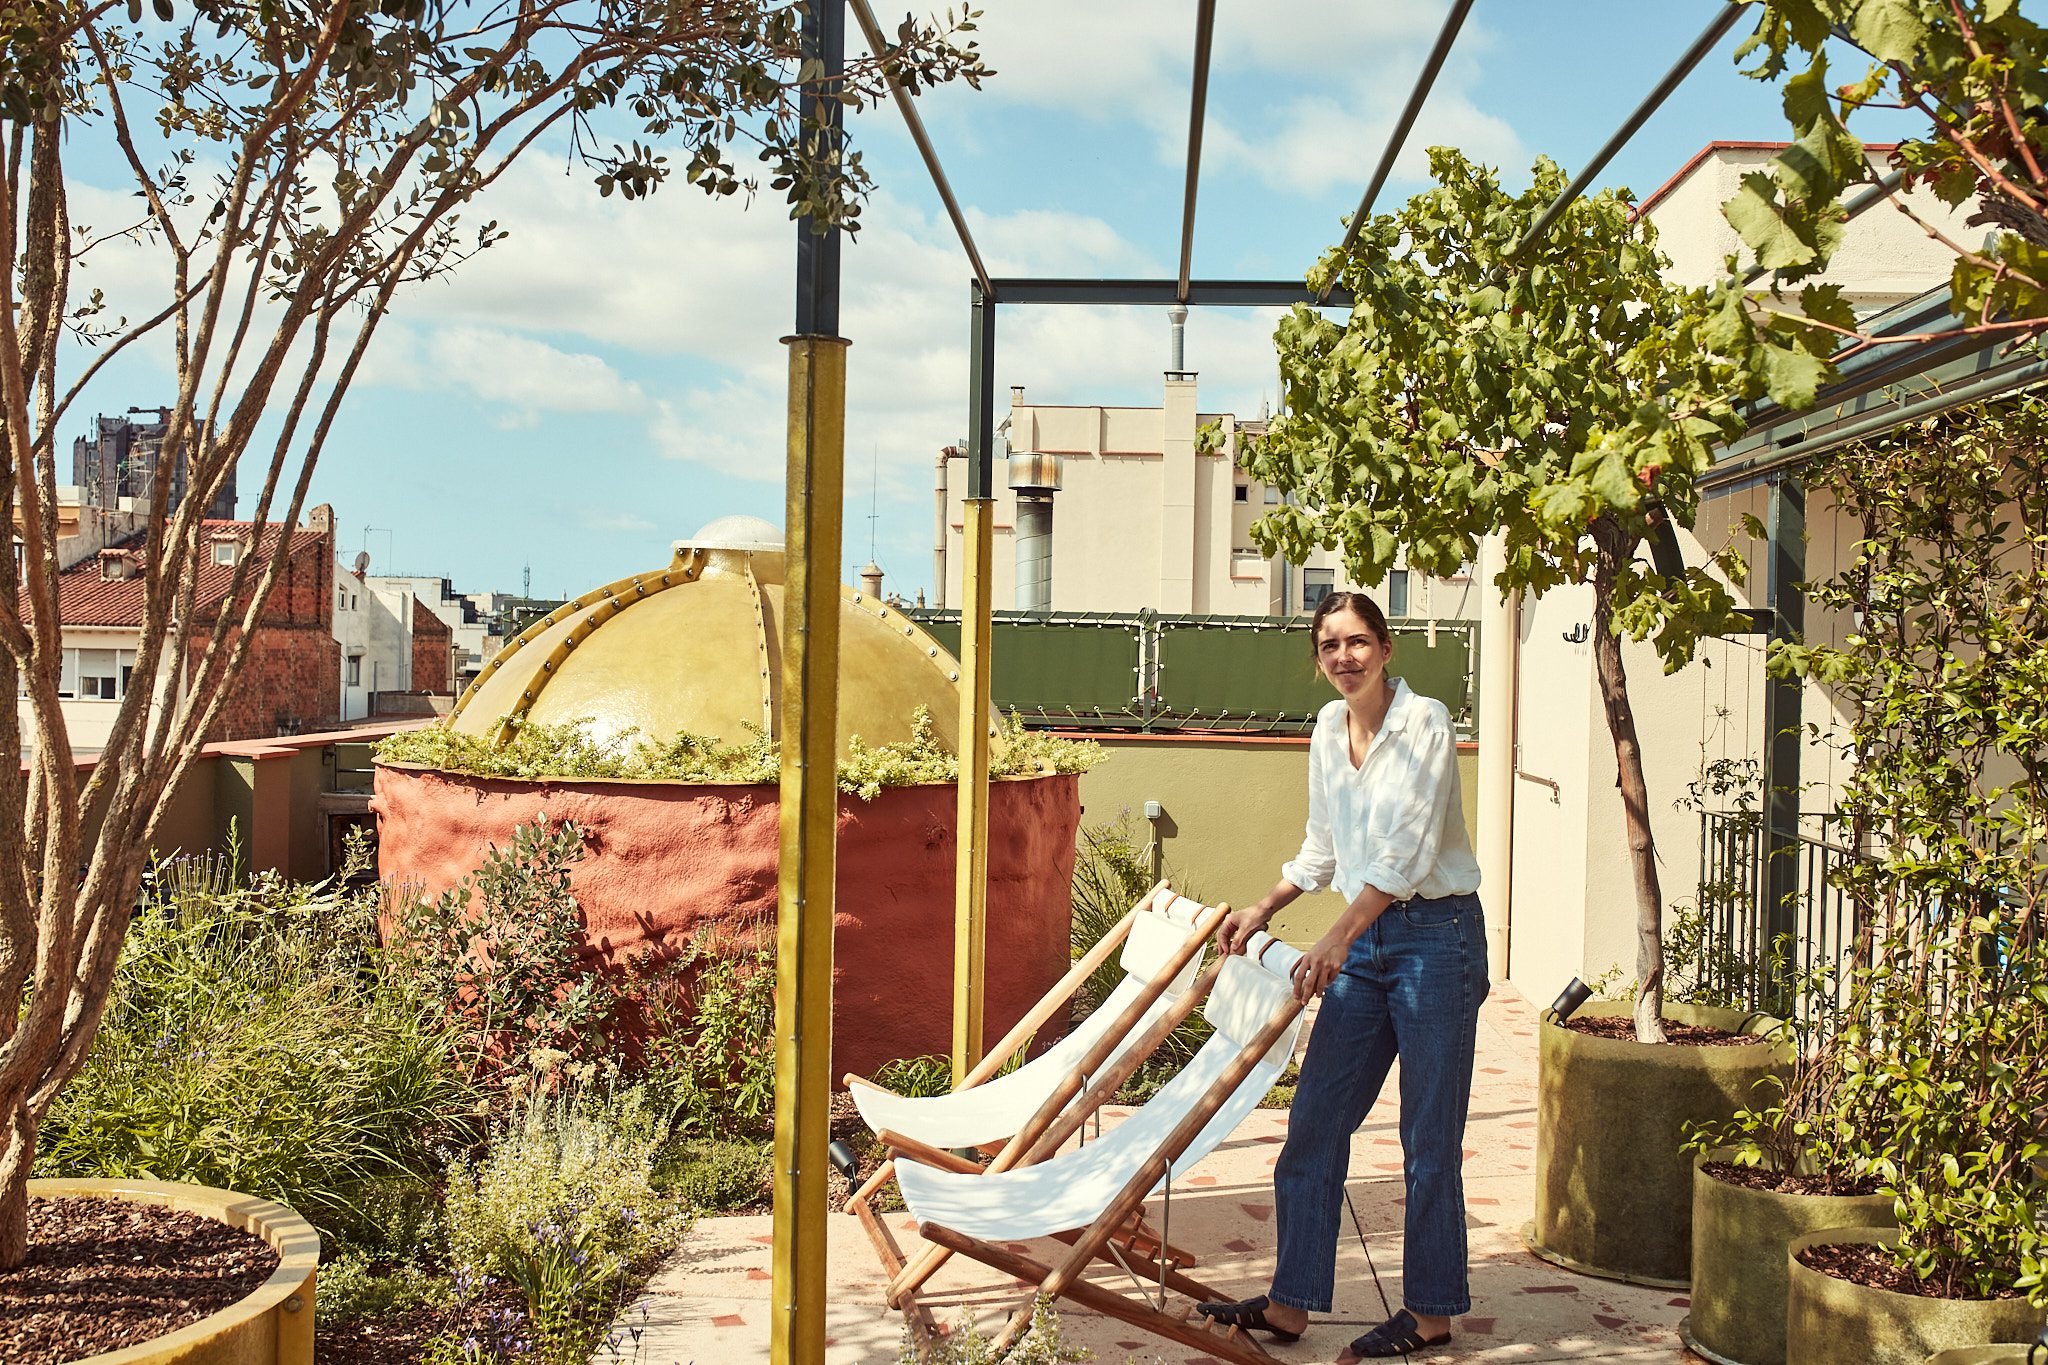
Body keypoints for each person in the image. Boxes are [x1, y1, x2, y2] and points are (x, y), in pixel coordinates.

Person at [1195, 590, 1486, 1363]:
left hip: (1436, 940)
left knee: (1429, 1140)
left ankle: (1430, 1313)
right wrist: (1265, 904)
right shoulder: (1328, 728)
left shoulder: (1424, 723)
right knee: (1315, 1123)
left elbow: (1405, 857)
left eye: (1358, 642)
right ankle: (1291, 1302)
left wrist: (1332, 939)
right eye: (1329, 645)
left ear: (1386, 648)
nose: (1344, 657)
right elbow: (1323, 848)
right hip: (1365, 940)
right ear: (1318, 656)